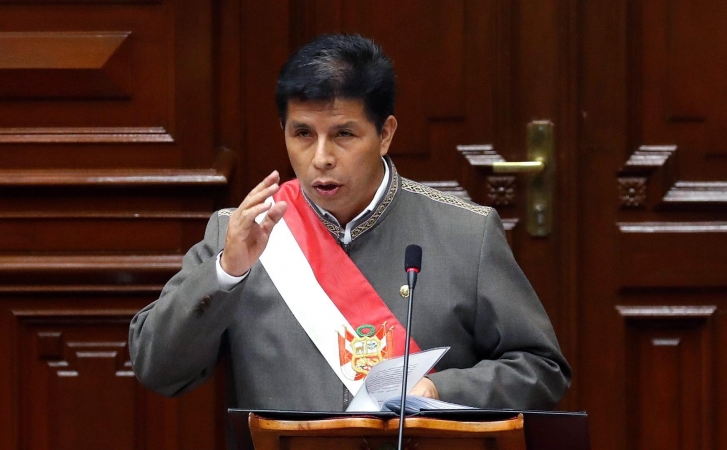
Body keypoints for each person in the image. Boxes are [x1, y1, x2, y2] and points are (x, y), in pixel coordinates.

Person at [129, 34, 571, 412]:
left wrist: (440, 390)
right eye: (302, 134)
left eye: (343, 134)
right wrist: (227, 271)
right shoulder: (241, 233)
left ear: (385, 133)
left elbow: (541, 368)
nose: (320, 157)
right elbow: (157, 368)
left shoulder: (465, 233)